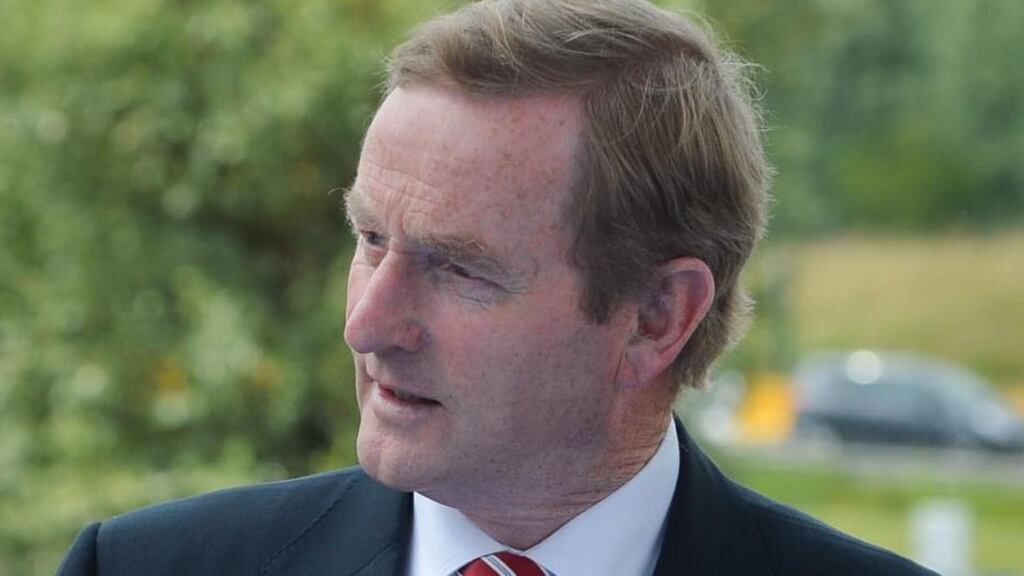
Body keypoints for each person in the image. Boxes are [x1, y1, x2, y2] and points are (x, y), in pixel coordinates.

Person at [58, 1, 937, 575]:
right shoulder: (144, 565)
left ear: (657, 317)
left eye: (459, 268)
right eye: (370, 239)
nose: (367, 325)